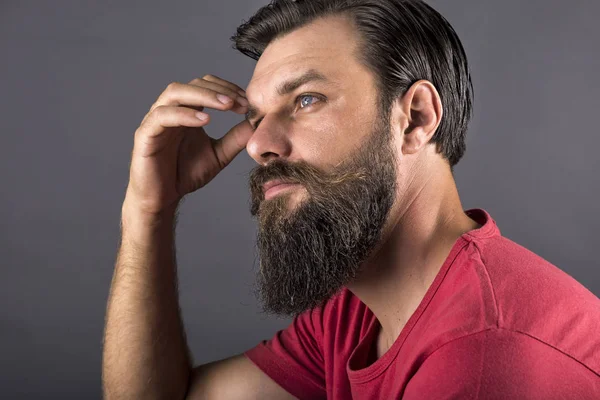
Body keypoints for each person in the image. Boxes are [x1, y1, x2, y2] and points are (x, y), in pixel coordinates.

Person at [101, 0, 600, 398]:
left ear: (417, 118)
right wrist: (149, 209)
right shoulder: (358, 310)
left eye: (306, 100)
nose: (256, 144)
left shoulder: (483, 357)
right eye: (255, 117)